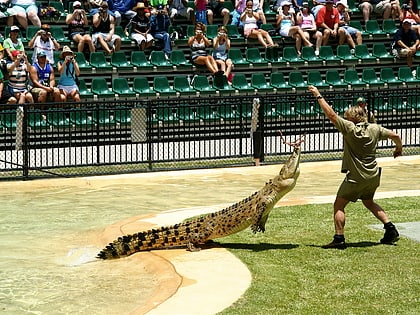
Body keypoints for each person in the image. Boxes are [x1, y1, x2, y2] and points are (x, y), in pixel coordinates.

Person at [308, 85, 402, 249]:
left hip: (356, 177)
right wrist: (398, 148)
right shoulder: (375, 128)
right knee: (368, 202)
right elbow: (395, 135)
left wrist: (318, 95)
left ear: (351, 119)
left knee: (339, 205)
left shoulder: (350, 129)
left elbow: (331, 114)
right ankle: (390, 228)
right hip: (373, 176)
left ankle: (339, 238)